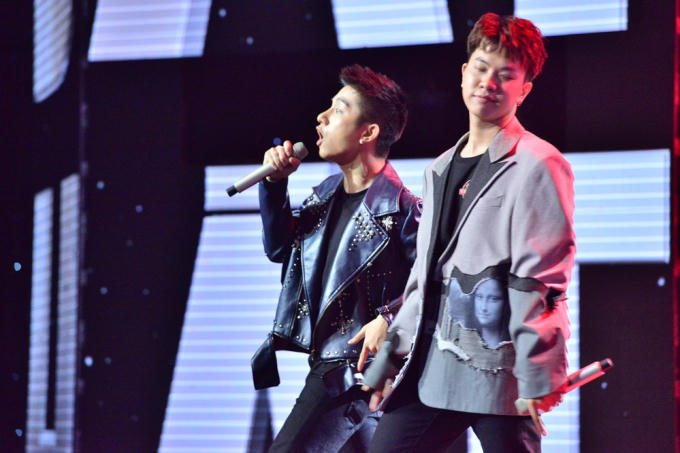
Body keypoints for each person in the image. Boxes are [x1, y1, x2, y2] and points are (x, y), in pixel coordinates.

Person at [361, 12, 576, 452]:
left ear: (524, 89)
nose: (488, 83)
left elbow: (541, 280)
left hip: (500, 374)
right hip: (436, 368)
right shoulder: (439, 168)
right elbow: (423, 280)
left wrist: (538, 374)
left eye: (506, 75)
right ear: (463, 72)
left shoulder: (538, 163)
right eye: (480, 67)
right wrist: (389, 359)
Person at [251, 64, 421, 452]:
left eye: (339, 109)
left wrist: (389, 318)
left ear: (368, 132)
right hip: (333, 368)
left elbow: (434, 285)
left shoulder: (403, 211)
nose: (322, 117)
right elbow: (280, 249)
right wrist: (275, 185)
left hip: (353, 372)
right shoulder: (323, 198)